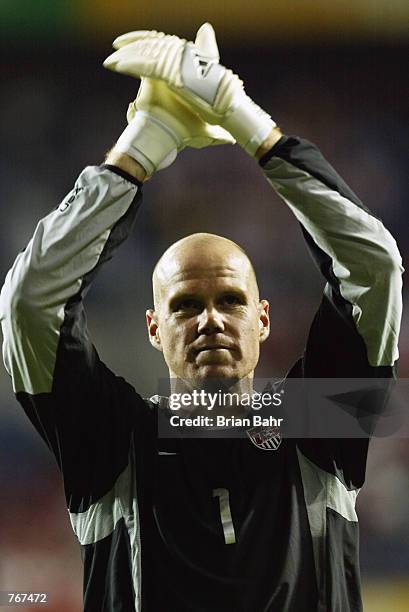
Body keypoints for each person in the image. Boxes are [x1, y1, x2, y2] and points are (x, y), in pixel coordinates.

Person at [0, 23, 403, 612]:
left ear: (262, 319)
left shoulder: (318, 425)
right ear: (154, 328)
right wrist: (141, 148)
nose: (210, 320)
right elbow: (30, 303)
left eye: (231, 301)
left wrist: (245, 120)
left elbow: (375, 267)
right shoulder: (115, 442)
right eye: (185, 305)